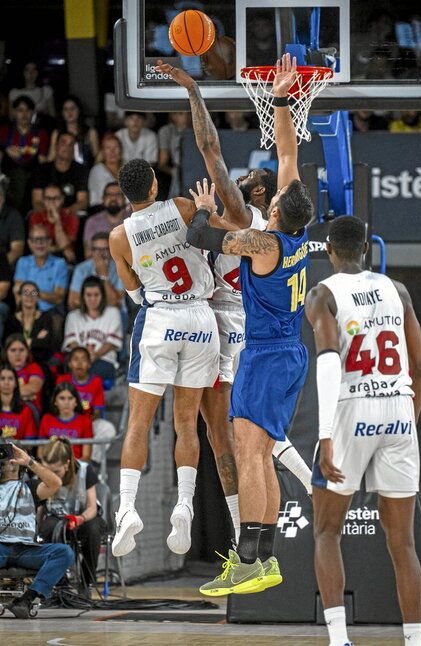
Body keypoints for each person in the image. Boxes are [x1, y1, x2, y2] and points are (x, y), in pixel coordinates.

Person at [156, 59, 313, 547]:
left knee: (240, 445)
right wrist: (283, 98)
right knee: (246, 444)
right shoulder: (284, 227)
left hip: (243, 335)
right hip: (270, 340)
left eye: (250, 188)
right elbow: (287, 153)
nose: (242, 187)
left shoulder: (253, 231)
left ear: (264, 200)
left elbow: (209, 160)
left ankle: (252, 546)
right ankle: (258, 542)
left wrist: (193, 90)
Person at [304, 215, 421, 646]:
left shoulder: (322, 293)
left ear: (328, 250)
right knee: (403, 544)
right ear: (366, 250)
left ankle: (339, 640)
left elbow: (327, 363)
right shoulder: (398, 291)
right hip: (397, 408)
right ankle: (414, 642)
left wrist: (324, 435)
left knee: (325, 531)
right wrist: (404, 422)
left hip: (351, 411)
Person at [109, 157, 220, 559]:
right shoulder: (182, 207)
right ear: (154, 186)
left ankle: (126, 510)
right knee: (186, 424)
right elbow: (208, 234)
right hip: (201, 318)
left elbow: (133, 290)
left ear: (126, 194)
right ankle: (185, 504)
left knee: (138, 423)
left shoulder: (119, 237)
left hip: (160, 319)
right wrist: (205, 208)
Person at [0, 440, 74, 619]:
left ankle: (26, 599)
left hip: (26, 550)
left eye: (9, 459)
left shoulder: (31, 488)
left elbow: (55, 483)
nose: (6, 462)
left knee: (64, 552)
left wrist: (29, 462)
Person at [39, 437, 106, 588]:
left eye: (56, 471)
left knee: (93, 528)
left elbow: (92, 507)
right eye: (48, 471)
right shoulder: (43, 473)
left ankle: (86, 582)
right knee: (48, 527)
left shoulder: (84, 470)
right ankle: (60, 584)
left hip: (84, 517)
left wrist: (81, 518)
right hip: (57, 519)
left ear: (67, 464)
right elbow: (40, 508)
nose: (52, 475)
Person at [57, 347, 116, 466]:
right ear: (69, 363)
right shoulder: (62, 380)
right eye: (75, 359)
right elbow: (56, 407)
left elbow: (98, 412)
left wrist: (83, 424)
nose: (79, 363)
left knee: (107, 428)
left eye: (83, 359)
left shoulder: (96, 382)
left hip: (88, 422)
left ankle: (88, 464)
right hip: (64, 422)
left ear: (89, 364)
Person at [63, 276, 123, 382]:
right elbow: (72, 342)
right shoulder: (73, 316)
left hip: (104, 359)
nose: (92, 299)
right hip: (78, 361)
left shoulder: (113, 313)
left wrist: (95, 355)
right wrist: (83, 358)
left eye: (96, 295)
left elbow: (111, 343)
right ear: (83, 296)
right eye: (89, 295)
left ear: (102, 296)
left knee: (96, 371)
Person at [0, 95, 49, 213]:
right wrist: (6, 149)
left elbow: (43, 161)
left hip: (32, 174)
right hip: (8, 173)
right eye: (20, 110)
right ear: (14, 112)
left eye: (28, 110)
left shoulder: (40, 134)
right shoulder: (4, 131)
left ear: (33, 113)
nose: (24, 114)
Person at [13, 224, 69, 314]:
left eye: (43, 239)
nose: (39, 244)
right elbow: (18, 292)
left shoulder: (60, 264)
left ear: (50, 242)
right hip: (27, 310)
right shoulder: (23, 262)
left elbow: (58, 298)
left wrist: (32, 293)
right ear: (29, 243)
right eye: (35, 240)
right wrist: (39, 295)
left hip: (51, 312)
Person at [3, 281, 61, 365]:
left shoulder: (45, 317)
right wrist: (34, 341)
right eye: (26, 292)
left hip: (41, 361)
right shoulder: (11, 319)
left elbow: (45, 344)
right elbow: (8, 343)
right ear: (20, 296)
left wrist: (22, 343)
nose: (29, 295)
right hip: (15, 363)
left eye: (34, 293)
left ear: (38, 297)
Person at [31, 131, 89, 214]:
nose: (67, 147)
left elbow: (83, 202)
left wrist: (64, 214)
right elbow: (37, 201)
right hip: (45, 214)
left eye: (71, 144)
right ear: (56, 146)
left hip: (70, 215)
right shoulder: (42, 169)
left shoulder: (81, 170)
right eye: (63, 143)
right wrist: (51, 215)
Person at [68, 233, 124, 310]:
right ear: (92, 251)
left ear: (111, 250)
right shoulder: (81, 268)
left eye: (105, 249)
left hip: (112, 314)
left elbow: (115, 302)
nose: (101, 253)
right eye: (96, 249)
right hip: (87, 314)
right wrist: (95, 310)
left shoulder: (120, 267)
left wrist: (103, 276)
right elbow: (73, 302)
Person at [38, 382, 92, 462]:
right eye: (62, 398)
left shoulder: (85, 421)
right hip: (50, 466)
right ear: (55, 401)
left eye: (70, 398)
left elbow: (86, 456)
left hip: (76, 467)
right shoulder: (46, 419)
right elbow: (40, 453)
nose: (66, 402)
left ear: (76, 402)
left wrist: (69, 467)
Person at [28, 183, 80, 263]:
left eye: (56, 198)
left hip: (64, 260)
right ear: (43, 200)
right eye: (48, 198)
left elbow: (64, 244)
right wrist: (59, 249)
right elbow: (36, 246)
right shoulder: (35, 218)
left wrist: (58, 221)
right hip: (42, 257)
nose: (52, 202)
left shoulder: (72, 218)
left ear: (62, 200)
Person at [47, 95, 100, 165]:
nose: (69, 112)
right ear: (62, 113)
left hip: (86, 171)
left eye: (73, 108)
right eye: (66, 109)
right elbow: (51, 157)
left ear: (79, 110)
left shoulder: (91, 132)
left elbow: (97, 158)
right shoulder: (57, 133)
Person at [3, 333, 45, 418]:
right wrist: (23, 396)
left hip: (29, 410)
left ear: (27, 352)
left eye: (21, 350)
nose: (17, 354)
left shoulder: (34, 368)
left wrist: (6, 394)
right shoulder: (2, 370)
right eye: (13, 350)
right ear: (6, 353)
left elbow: (34, 388)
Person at [82, 183, 129, 256]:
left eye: (118, 195)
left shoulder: (133, 220)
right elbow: (88, 254)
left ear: (124, 199)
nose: (113, 198)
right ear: (103, 199)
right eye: (109, 195)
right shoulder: (92, 222)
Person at [157, 112, 190, 199]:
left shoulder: (197, 130)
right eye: (181, 114)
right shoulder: (166, 131)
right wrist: (175, 172)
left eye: (189, 114)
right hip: (175, 168)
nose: (186, 117)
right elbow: (162, 164)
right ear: (173, 116)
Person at [0, 363, 37, 441]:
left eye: (10, 378)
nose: (6, 382)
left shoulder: (26, 410)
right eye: (2, 378)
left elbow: (30, 443)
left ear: (16, 383)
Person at [87, 135, 125, 209]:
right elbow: (103, 197)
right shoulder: (97, 170)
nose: (112, 151)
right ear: (103, 152)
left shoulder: (128, 170)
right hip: (102, 210)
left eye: (116, 148)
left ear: (121, 151)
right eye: (108, 148)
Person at [0, 173, 25, 265]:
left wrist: (2, 267)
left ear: (1, 199)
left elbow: (17, 250)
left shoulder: (13, 216)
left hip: (4, 267)